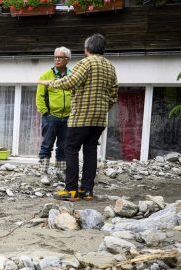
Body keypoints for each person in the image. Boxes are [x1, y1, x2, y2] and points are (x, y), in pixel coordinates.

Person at [39, 33, 118, 201]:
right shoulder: (110, 66)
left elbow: (70, 82)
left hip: (81, 116)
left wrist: (49, 83)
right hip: (99, 118)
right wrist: (104, 108)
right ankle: (87, 190)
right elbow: (114, 94)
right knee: (90, 151)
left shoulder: (85, 63)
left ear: (86, 49)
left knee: (71, 149)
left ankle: (71, 190)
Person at [36, 46, 72, 186]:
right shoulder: (46, 76)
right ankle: (44, 172)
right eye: (55, 57)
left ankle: (60, 171)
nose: (57, 60)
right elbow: (39, 97)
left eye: (60, 57)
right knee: (47, 145)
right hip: (51, 117)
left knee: (63, 146)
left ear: (67, 60)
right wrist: (46, 113)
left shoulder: (72, 75)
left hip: (68, 117)